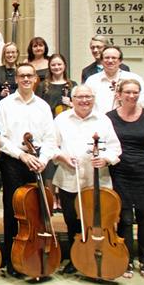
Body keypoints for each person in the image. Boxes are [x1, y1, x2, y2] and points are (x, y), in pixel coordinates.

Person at [0, 63, 57, 277]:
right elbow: (1, 137)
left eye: (30, 75)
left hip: (38, 161)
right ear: (16, 80)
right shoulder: (5, 104)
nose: (26, 79)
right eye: (22, 76)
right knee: (14, 212)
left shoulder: (43, 106)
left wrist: (44, 158)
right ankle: (14, 261)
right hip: (14, 160)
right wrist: (22, 155)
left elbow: (50, 138)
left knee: (38, 212)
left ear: (35, 79)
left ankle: (37, 255)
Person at [52, 85, 122, 274]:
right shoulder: (61, 119)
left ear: (94, 98)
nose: (84, 100)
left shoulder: (103, 120)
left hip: (96, 179)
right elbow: (51, 145)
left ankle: (98, 254)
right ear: (72, 99)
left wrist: (105, 158)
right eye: (80, 97)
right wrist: (63, 157)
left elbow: (116, 148)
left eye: (88, 97)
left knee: (95, 220)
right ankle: (77, 257)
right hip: (69, 178)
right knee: (71, 221)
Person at [107, 79, 144, 280]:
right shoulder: (110, 118)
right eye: (128, 92)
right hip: (121, 173)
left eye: (135, 92)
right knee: (125, 218)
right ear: (119, 94)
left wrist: (143, 163)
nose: (131, 96)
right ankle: (127, 261)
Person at [86, 46, 144, 112]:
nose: (110, 61)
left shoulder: (134, 78)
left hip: (127, 120)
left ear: (120, 61)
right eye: (107, 58)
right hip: (100, 120)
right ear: (101, 61)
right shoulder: (92, 80)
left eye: (114, 58)